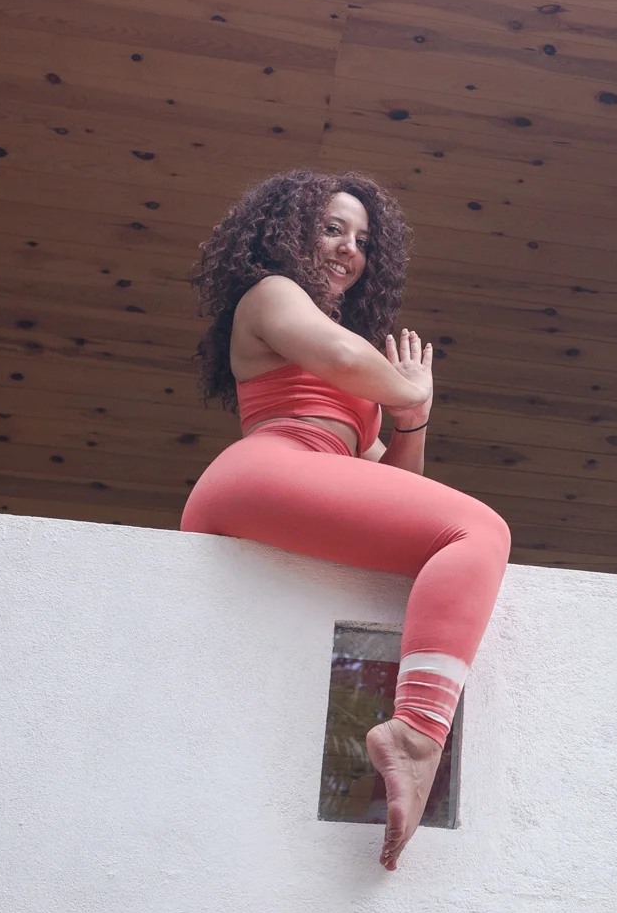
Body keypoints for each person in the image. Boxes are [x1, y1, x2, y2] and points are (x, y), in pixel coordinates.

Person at [181, 170, 510, 871]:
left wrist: (413, 417)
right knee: (481, 530)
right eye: (332, 228)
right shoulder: (270, 296)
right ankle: (418, 734)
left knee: (463, 533)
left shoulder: (349, 360)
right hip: (266, 465)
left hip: (301, 475)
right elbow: (338, 356)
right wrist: (404, 385)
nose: (348, 249)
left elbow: (394, 489)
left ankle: (415, 735)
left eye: (361, 239)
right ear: (288, 233)